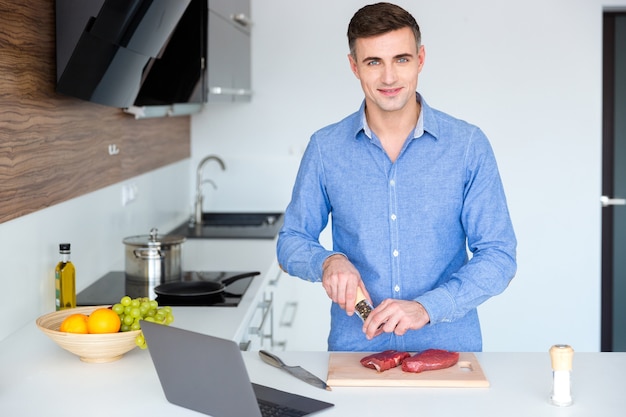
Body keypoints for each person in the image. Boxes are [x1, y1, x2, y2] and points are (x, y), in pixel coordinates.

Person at [276, 2, 517, 352]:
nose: (389, 78)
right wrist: (327, 261)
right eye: (374, 62)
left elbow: (498, 256)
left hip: (448, 352)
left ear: (420, 60)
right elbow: (291, 242)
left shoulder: (467, 146)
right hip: (357, 353)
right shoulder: (325, 149)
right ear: (354, 66)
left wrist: (426, 308)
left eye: (401, 59)